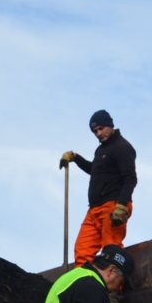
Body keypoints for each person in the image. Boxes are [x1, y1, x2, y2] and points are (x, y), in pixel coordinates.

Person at [59, 110, 138, 266]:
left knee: (111, 250)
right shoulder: (101, 150)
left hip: (113, 207)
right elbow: (94, 170)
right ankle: (86, 286)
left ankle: (114, 289)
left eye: (101, 128)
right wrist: (75, 158)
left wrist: (121, 206)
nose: (98, 133)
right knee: (82, 252)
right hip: (94, 210)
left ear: (110, 125)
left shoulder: (123, 147)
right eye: (95, 131)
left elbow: (131, 178)